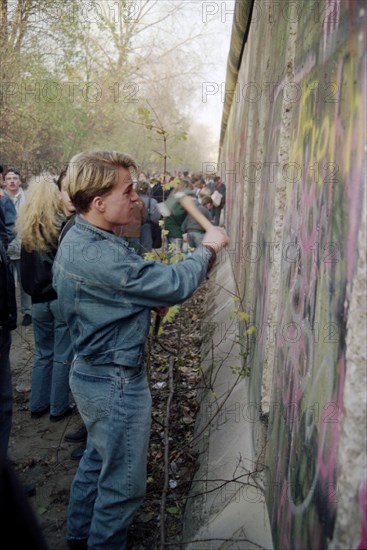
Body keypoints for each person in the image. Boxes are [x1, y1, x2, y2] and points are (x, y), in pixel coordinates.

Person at [52, 150, 229, 550]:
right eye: (127, 190)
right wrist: (209, 248)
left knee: (97, 461)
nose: (136, 198)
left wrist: (140, 300)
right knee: (123, 487)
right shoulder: (97, 253)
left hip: (94, 373)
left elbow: (115, 290)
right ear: (98, 203)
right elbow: (173, 284)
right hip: (114, 382)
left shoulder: (83, 234)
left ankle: (80, 537)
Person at [16, 173, 75, 420]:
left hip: (38, 300)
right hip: (58, 297)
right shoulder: (62, 227)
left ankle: (37, 404)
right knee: (62, 355)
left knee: (43, 353)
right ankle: (58, 407)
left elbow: (25, 269)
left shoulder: (27, 230)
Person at [3, 169, 33, 325]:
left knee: (24, 279)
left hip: (24, 244)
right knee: (7, 282)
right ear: (4, 181)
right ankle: (8, 312)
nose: (12, 181)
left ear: (20, 181)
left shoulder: (28, 198)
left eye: (15, 178)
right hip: (5, 247)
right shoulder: (2, 198)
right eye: (8, 178)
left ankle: (28, 312)